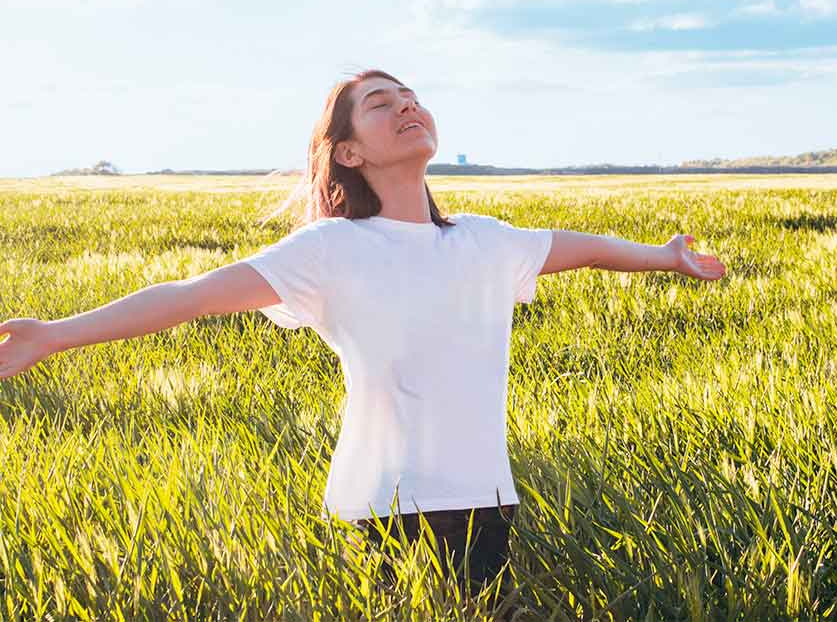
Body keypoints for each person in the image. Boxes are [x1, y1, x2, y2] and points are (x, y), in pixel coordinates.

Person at [0, 68, 726, 600]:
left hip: (488, 502)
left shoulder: (487, 241)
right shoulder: (329, 250)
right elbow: (191, 298)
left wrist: (667, 257)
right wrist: (55, 334)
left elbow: (593, 247)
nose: (406, 104)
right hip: (383, 513)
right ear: (348, 152)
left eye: (410, 95)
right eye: (380, 103)